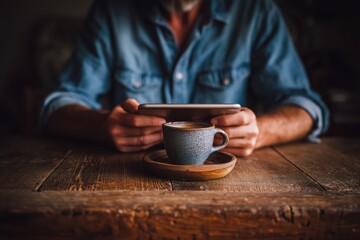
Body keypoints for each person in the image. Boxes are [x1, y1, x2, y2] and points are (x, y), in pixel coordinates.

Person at [39, 0, 329, 156]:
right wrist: (103, 126)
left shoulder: (256, 11)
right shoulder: (110, 11)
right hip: (129, 185)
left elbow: (307, 107)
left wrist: (259, 131)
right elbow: (57, 107)